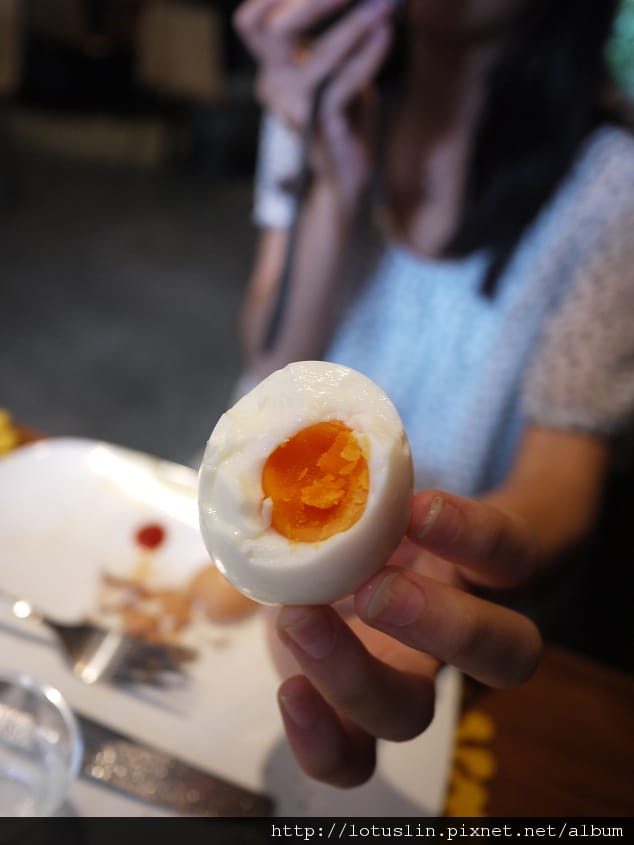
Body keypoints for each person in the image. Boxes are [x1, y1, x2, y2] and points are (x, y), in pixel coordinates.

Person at [233, 0, 634, 787]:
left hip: (425, 609)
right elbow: (271, 357)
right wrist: (330, 188)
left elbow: (561, 477)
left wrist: (445, 555)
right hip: (265, 537)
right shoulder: (319, 99)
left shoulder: (611, 185)